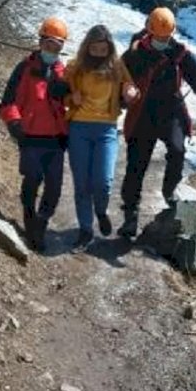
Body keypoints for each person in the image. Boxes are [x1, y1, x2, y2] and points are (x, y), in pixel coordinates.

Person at [118, 7, 196, 238]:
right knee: (136, 166)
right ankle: (130, 216)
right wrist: (117, 102)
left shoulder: (179, 55)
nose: (162, 40)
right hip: (143, 114)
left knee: (178, 151)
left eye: (166, 36)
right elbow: (119, 80)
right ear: (149, 32)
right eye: (159, 36)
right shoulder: (134, 53)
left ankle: (169, 192)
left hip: (171, 112)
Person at [0, 16, 70, 253]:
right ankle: (30, 220)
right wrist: (15, 124)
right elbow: (8, 101)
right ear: (40, 42)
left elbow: (73, 103)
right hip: (30, 136)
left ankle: (40, 222)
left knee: (55, 187)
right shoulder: (25, 68)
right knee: (32, 178)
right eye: (49, 43)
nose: (53, 49)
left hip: (56, 139)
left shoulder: (65, 73)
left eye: (58, 45)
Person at [64, 25, 139, 249]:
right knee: (82, 183)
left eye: (102, 49)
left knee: (103, 181)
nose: (98, 52)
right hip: (79, 127)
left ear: (109, 49)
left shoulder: (116, 66)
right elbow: (62, 95)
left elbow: (130, 87)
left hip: (106, 129)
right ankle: (85, 230)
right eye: (94, 48)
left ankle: (101, 210)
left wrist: (131, 93)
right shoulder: (75, 67)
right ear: (87, 47)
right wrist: (71, 99)